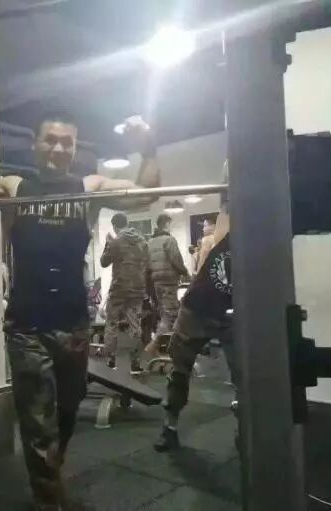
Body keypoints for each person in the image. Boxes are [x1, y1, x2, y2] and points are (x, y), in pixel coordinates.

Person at [0, 111, 161, 511]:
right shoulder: (15, 187)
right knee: (37, 423)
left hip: (74, 323)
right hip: (27, 326)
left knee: (67, 411)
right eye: (50, 140)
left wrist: (147, 147)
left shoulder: (89, 188)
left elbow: (147, 194)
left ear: (74, 149)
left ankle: (49, 477)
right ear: (35, 144)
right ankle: (49, 501)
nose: (58, 148)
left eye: (67, 142)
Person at [154, 166, 233, 452]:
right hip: (197, 306)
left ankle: (248, 431)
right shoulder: (227, 221)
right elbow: (229, 189)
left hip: (233, 312)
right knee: (179, 370)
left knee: (247, 374)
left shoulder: (271, 235)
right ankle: (169, 427)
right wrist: (230, 170)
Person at [100, 212, 148, 374]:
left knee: (112, 322)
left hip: (119, 288)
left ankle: (110, 361)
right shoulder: (142, 241)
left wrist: (108, 243)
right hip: (137, 288)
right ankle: (135, 364)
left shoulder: (116, 241)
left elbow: (104, 262)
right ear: (127, 223)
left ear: (114, 226)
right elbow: (147, 263)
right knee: (135, 324)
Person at [144, 213, 189, 356]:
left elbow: (147, 264)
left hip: (156, 282)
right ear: (167, 224)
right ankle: (154, 344)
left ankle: (170, 346)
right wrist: (185, 272)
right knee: (171, 314)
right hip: (169, 281)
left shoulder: (150, 242)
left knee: (164, 313)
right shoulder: (169, 240)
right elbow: (176, 260)